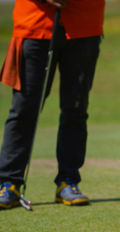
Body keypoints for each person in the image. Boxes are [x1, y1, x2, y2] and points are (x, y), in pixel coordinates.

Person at [0, 0, 105, 209]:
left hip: (85, 23)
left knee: (75, 108)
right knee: (24, 108)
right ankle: (9, 182)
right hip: (36, 24)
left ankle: (68, 181)